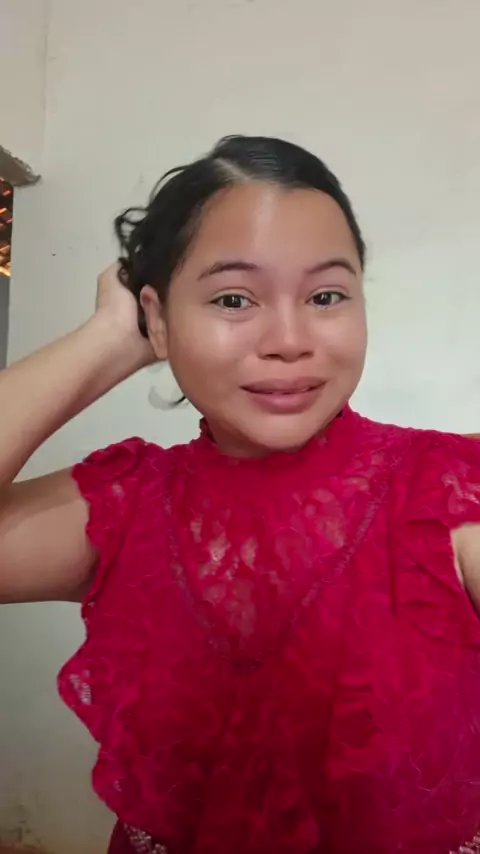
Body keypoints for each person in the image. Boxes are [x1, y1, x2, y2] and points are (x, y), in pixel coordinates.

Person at [1, 135, 480, 854]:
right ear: (157, 318)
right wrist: (107, 339)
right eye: (233, 298)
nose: (289, 339)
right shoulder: (125, 508)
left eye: (326, 296)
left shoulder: (450, 493)